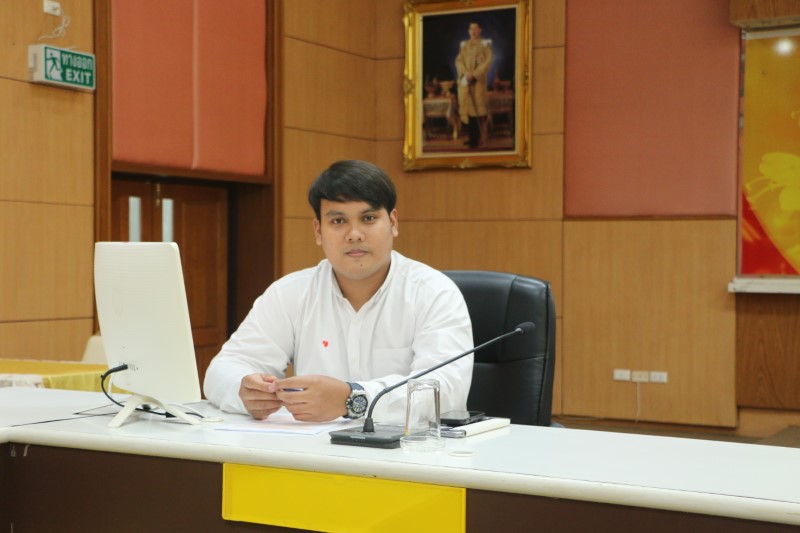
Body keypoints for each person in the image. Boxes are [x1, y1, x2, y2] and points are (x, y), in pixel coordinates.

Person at [203, 160, 473, 423]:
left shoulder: (434, 294)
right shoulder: (290, 293)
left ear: (393, 222)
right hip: (310, 449)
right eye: (338, 221)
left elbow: (446, 389)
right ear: (318, 231)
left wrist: (352, 398)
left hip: (408, 449)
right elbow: (223, 370)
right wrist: (245, 391)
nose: (354, 234)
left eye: (368, 218)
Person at [455, 22, 493, 148]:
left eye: (476, 29)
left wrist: (475, 74)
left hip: (478, 82)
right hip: (466, 80)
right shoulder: (464, 45)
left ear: (480, 30)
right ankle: (472, 138)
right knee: (469, 110)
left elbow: (488, 61)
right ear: (468, 31)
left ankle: (477, 139)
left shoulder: (485, 44)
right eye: (471, 29)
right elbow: (459, 61)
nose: (473, 31)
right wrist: (465, 73)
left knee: (477, 110)